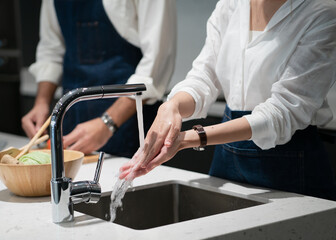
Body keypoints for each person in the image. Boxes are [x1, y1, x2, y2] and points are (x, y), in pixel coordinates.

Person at [119, 0, 336, 201]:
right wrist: (172, 106)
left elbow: (283, 112)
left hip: (291, 169)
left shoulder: (321, 13)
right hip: (225, 160)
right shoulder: (231, 4)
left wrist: (188, 139)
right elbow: (204, 77)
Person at [22, 0, 176, 158]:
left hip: (130, 126)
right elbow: (51, 49)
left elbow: (155, 65)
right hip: (71, 119)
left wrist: (107, 123)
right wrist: (41, 102)